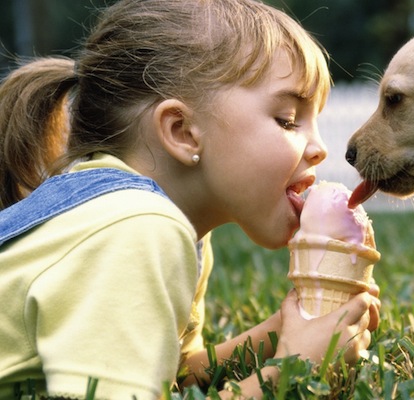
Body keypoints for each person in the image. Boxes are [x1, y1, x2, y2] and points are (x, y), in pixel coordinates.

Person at [0, 0, 381, 399]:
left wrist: (281, 333)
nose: (319, 147)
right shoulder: (136, 228)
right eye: (287, 118)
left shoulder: (165, 226)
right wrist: (293, 367)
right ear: (181, 131)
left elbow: (176, 375)